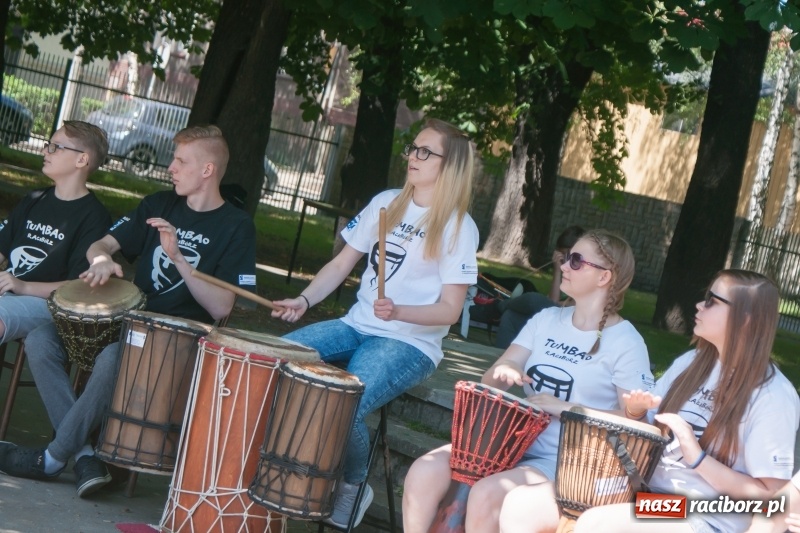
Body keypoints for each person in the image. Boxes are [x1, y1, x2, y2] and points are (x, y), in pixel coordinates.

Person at [0, 124, 257, 498]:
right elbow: (101, 242)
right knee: (42, 340)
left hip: (179, 336)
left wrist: (177, 257)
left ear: (207, 170)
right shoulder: (159, 203)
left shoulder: (236, 226)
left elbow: (221, 306)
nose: (171, 167)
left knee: (111, 358)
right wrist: (102, 258)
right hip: (129, 320)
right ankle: (86, 455)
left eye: (180, 161)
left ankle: (53, 457)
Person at [271, 118, 480, 528]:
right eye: (412, 149)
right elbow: (341, 263)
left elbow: (450, 310)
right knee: (274, 361)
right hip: (356, 323)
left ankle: (352, 486)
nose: (413, 157)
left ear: (449, 164)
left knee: (345, 403)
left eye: (425, 152)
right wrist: (304, 299)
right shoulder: (386, 201)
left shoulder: (459, 227)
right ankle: (278, 469)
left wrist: (401, 312)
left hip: (409, 342)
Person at [403, 229, 654, 533]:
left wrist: (565, 408)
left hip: (569, 461)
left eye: (576, 261)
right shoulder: (546, 320)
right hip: (508, 440)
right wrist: (506, 369)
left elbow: (638, 424)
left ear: (604, 277)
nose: (563, 266)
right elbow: (491, 381)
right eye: (565, 258)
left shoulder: (627, 343)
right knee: (424, 471)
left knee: (488, 493)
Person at [569, 270, 800, 533]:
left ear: (746, 319)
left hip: (708, 515)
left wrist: (698, 458)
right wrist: (634, 413)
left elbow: (772, 498)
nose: (700, 305)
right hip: (656, 499)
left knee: (597, 526)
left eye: (713, 301)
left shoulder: (773, 396)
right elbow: (651, 432)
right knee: (571, 508)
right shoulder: (690, 363)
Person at [0, 120, 111, 346]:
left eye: (56, 147)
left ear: (82, 159)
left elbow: (77, 287)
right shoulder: (35, 198)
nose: (45, 151)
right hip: (8, 294)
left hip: (46, 303)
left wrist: (23, 286)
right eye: (47, 145)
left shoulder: (94, 217)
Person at [475, 225, 585, 348]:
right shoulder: (566, 272)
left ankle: (499, 305)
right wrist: (558, 271)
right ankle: (500, 358)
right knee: (511, 316)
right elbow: (552, 303)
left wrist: (558, 272)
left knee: (532, 299)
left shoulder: (584, 275)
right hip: (553, 315)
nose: (564, 259)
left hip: (565, 320)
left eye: (568, 255)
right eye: (562, 254)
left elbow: (554, 305)